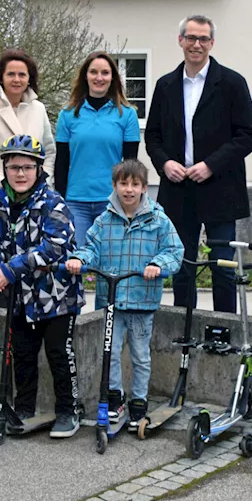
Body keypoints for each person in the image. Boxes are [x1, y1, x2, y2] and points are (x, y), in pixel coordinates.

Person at [144, 14, 252, 313]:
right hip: (178, 188)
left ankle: (224, 329)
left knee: (222, 264)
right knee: (181, 264)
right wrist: (165, 163)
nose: (197, 44)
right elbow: (153, 135)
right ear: (180, 40)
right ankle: (185, 328)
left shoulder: (232, 83)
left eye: (203, 39)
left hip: (220, 187)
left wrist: (210, 164)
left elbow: (249, 135)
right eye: (191, 38)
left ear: (212, 43)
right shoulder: (165, 85)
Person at [66, 160, 183, 427]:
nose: (128, 190)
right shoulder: (105, 219)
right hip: (112, 301)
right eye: (123, 184)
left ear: (144, 187)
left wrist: (157, 265)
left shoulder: (158, 220)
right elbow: (90, 246)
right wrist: (79, 259)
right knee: (111, 351)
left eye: (135, 184)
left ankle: (139, 400)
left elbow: (174, 251)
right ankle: (114, 398)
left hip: (142, 300)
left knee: (140, 355)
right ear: (115, 186)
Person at [0, 134, 84, 438]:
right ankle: (24, 408)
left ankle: (69, 410)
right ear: (5, 169)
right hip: (19, 297)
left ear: (39, 169)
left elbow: (54, 247)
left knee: (58, 353)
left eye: (27, 167)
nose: (20, 174)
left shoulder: (54, 203)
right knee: (22, 353)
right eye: (14, 168)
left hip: (57, 296)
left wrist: (11, 268)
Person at [55, 51, 142, 244]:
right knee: (75, 261)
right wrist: (60, 202)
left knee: (109, 263)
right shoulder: (67, 115)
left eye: (105, 72)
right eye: (94, 72)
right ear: (85, 75)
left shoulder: (127, 115)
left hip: (112, 202)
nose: (99, 77)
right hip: (75, 202)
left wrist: (128, 201)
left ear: (113, 77)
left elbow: (130, 165)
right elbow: (61, 163)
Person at [0, 48, 57, 211]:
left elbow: (49, 151)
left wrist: (41, 183)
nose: (16, 79)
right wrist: (6, 188)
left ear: (29, 79)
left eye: (22, 75)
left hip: (35, 201)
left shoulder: (39, 109)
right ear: (1, 78)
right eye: (11, 74)